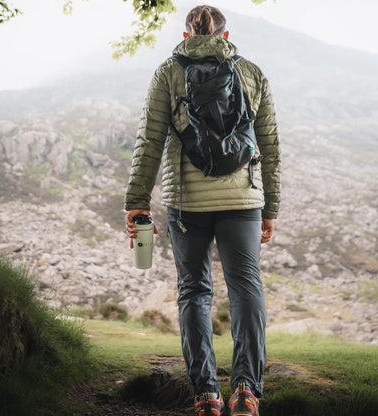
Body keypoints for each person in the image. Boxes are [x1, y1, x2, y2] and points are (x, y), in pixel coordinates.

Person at [124, 5, 281, 416]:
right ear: (226, 37)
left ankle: (206, 394)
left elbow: (150, 141)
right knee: (246, 287)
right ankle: (246, 390)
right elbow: (270, 147)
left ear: (186, 34)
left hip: (186, 204)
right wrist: (271, 207)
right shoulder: (251, 72)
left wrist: (137, 201)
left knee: (194, 290)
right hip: (243, 201)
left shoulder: (168, 72)